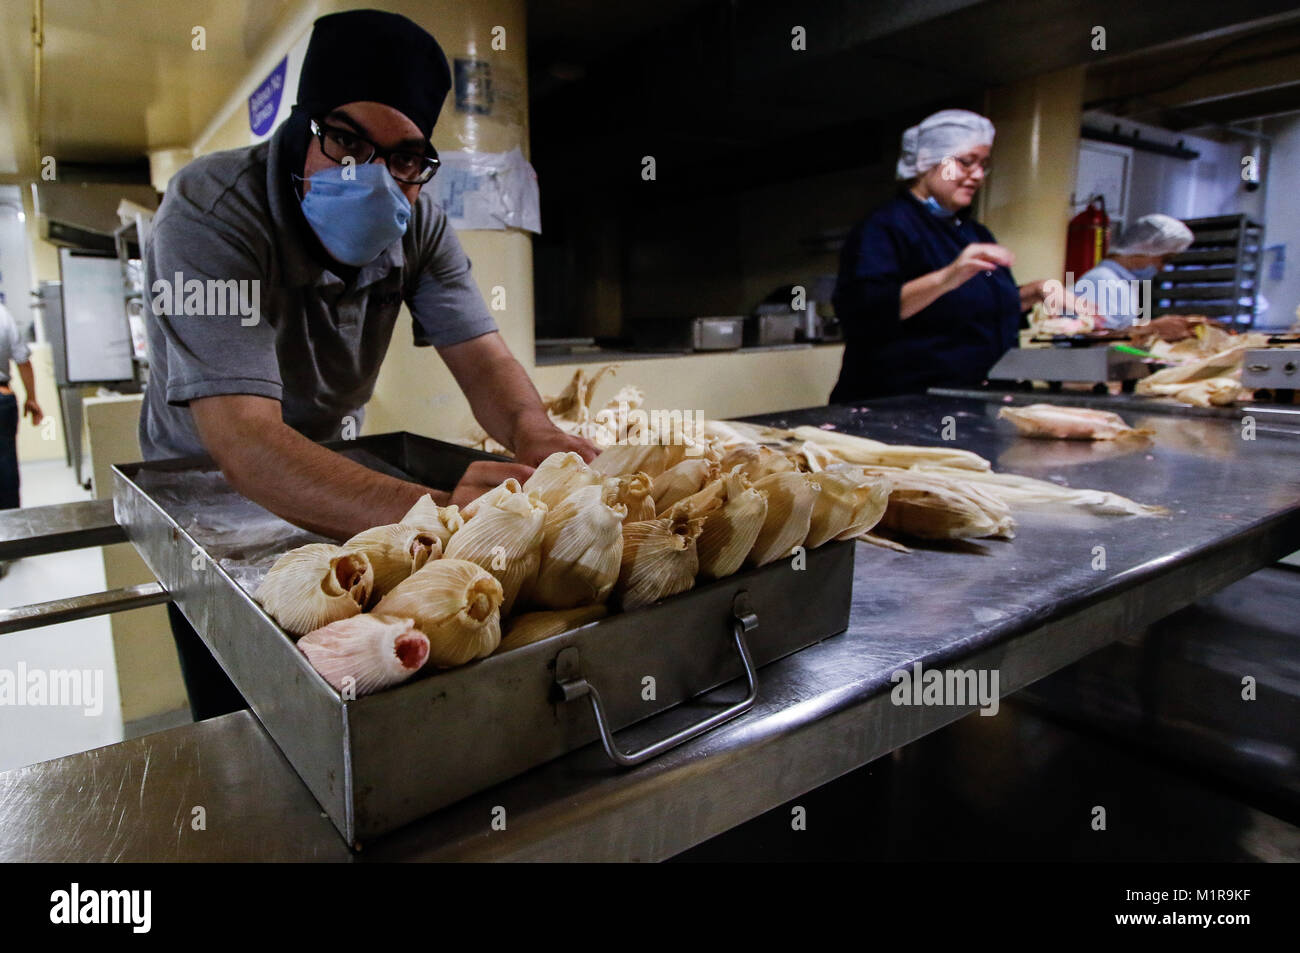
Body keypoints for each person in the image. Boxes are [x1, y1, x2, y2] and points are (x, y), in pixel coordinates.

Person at [141, 11, 597, 719]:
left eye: (406, 158)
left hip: (328, 465)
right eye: (348, 141)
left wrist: (537, 434)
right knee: (243, 699)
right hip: (208, 489)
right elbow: (245, 441)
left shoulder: (418, 224)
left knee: (351, 673)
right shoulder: (213, 213)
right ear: (302, 129)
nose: (376, 179)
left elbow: (483, 360)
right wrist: (441, 513)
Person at [830, 109, 1085, 403]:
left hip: (972, 399)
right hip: (898, 404)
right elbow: (864, 313)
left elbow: (977, 309)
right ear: (928, 161)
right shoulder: (885, 227)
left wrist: (1038, 291)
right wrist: (947, 277)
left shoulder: (974, 232)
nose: (977, 175)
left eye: (983, 165)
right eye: (965, 162)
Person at [1073, 213, 1195, 333]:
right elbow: (1093, 338)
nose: (1162, 268)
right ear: (1142, 250)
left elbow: (1120, 331)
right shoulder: (1102, 280)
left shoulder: (1124, 284)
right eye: (1164, 259)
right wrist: (1153, 327)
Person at [0, 301, 44, 579]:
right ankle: (9, 541)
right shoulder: (2, 313)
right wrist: (32, 398)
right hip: (2, 398)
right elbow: (22, 358)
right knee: (6, 468)